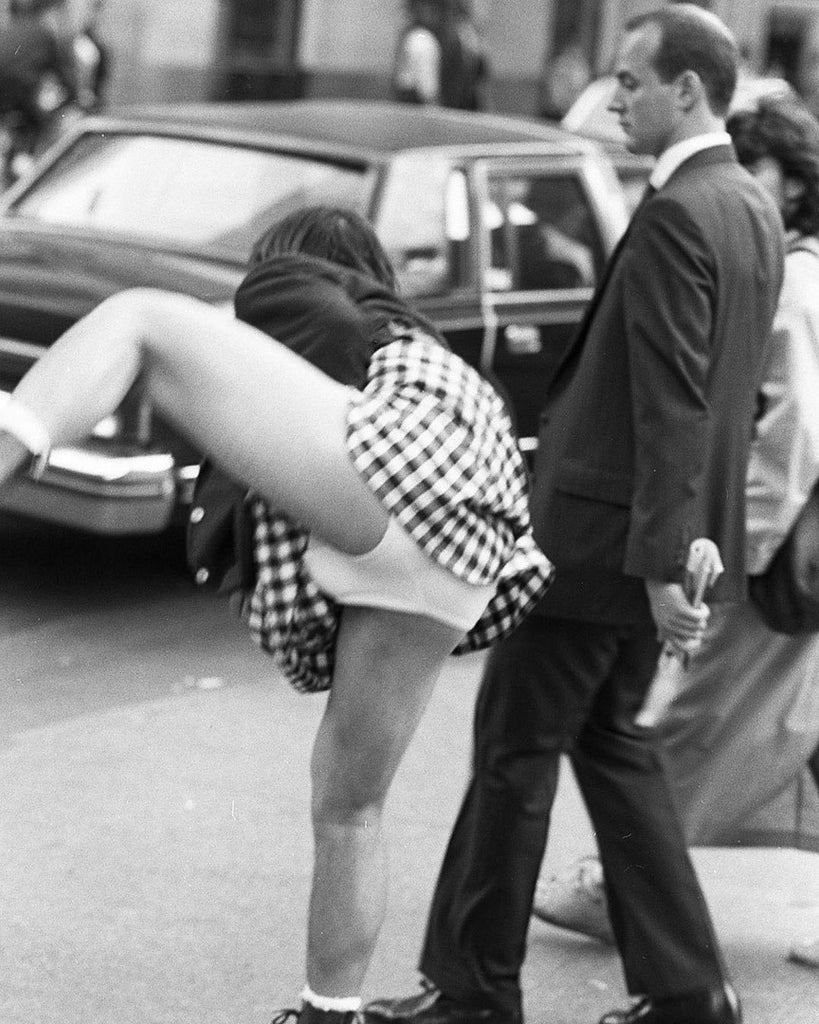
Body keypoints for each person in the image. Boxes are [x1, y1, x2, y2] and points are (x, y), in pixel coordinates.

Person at [0, 206, 553, 1024]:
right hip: (464, 548)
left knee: (138, 317)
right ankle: (328, 1012)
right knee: (348, 804)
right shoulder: (410, 350)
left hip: (410, 474)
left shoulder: (307, 299)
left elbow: (178, 342)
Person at [364, 7, 785, 1024]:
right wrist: (684, 553)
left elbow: (676, 400)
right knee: (612, 744)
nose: (617, 96)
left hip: (605, 545)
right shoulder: (750, 207)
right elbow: (720, 402)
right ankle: (687, 991)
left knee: (515, 749)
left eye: (634, 80)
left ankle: (472, 989)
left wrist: (654, 564)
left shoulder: (686, 208)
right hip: (651, 537)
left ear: (688, 89)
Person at [531, 95, 819, 973]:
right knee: (796, 736)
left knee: (681, 722)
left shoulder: (796, 278)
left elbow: (791, 431)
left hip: (772, 552)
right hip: (794, 547)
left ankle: (617, 887)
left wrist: (739, 556)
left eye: (757, 166)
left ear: (795, 182)